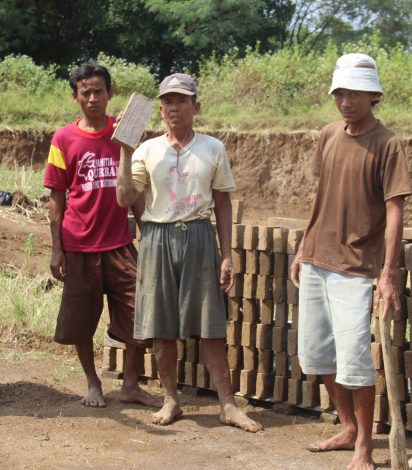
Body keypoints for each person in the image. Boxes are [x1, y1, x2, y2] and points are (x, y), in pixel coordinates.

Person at [116, 73, 262, 432]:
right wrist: (124, 148)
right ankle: (171, 400)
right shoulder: (147, 150)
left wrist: (226, 254)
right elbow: (123, 199)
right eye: (167, 101)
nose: (173, 107)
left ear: (196, 106)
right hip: (156, 237)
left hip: (198, 235)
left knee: (210, 325)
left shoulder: (212, 148)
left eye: (181, 100)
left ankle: (227, 405)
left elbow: (224, 203)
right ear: (161, 109)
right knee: (161, 326)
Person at [290, 53, 412, 470]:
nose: (346, 101)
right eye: (340, 93)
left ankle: (365, 448)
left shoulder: (387, 144)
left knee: (356, 362)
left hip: (356, 268)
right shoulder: (328, 135)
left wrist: (388, 274)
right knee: (318, 355)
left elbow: (396, 210)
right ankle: (347, 428)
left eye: (354, 93)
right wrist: (302, 248)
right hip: (316, 262)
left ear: (373, 95)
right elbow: (319, 196)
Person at [44, 62, 162, 409]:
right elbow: (56, 198)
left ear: (110, 94)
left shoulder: (125, 132)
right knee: (82, 321)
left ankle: (129, 385)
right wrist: (56, 250)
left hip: (120, 244)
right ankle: (93, 383)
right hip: (78, 244)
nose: (93, 98)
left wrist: (147, 236)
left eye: (99, 91)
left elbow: (137, 190)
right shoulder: (63, 139)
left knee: (138, 313)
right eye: (86, 92)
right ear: (75, 97)